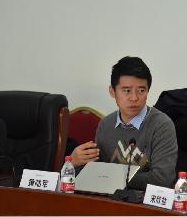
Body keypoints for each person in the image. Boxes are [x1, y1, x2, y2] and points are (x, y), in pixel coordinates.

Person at [70, 56, 178, 189]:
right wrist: (73, 163)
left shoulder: (161, 125)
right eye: (127, 90)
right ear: (112, 92)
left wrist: (111, 178)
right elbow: (95, 173)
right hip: (111, 198)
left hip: (143, 199)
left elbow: (163, 179)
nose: (134, 98)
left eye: (141, 90)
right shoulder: (105, 125)